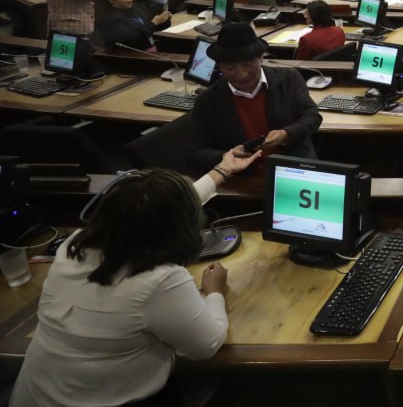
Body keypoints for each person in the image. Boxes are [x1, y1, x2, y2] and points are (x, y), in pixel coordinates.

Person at [10, 160, 261, 407]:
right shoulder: (159, 279)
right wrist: (214, 292)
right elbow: (206, 346)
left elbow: (158, 208)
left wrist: (221, 171)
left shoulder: (74, 245)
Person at [187, 22, 322, 173]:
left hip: (294, 169)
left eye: (248, 65)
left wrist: (286, 134)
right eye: (230, 68)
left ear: (261, 58)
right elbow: (196, 153)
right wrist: (226, 155)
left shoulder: (289, 78)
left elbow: (312, 116)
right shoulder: (208, 100)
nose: (241, 74)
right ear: (219, 66)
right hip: (241, 178)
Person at [91, 0, 170, 50]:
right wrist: (154, 23)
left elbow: (151, 28)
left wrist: (164, 20)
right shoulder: (109, 19)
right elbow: (131, 40)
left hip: (152, 46)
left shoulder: (138, 6)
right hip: (135, 56)